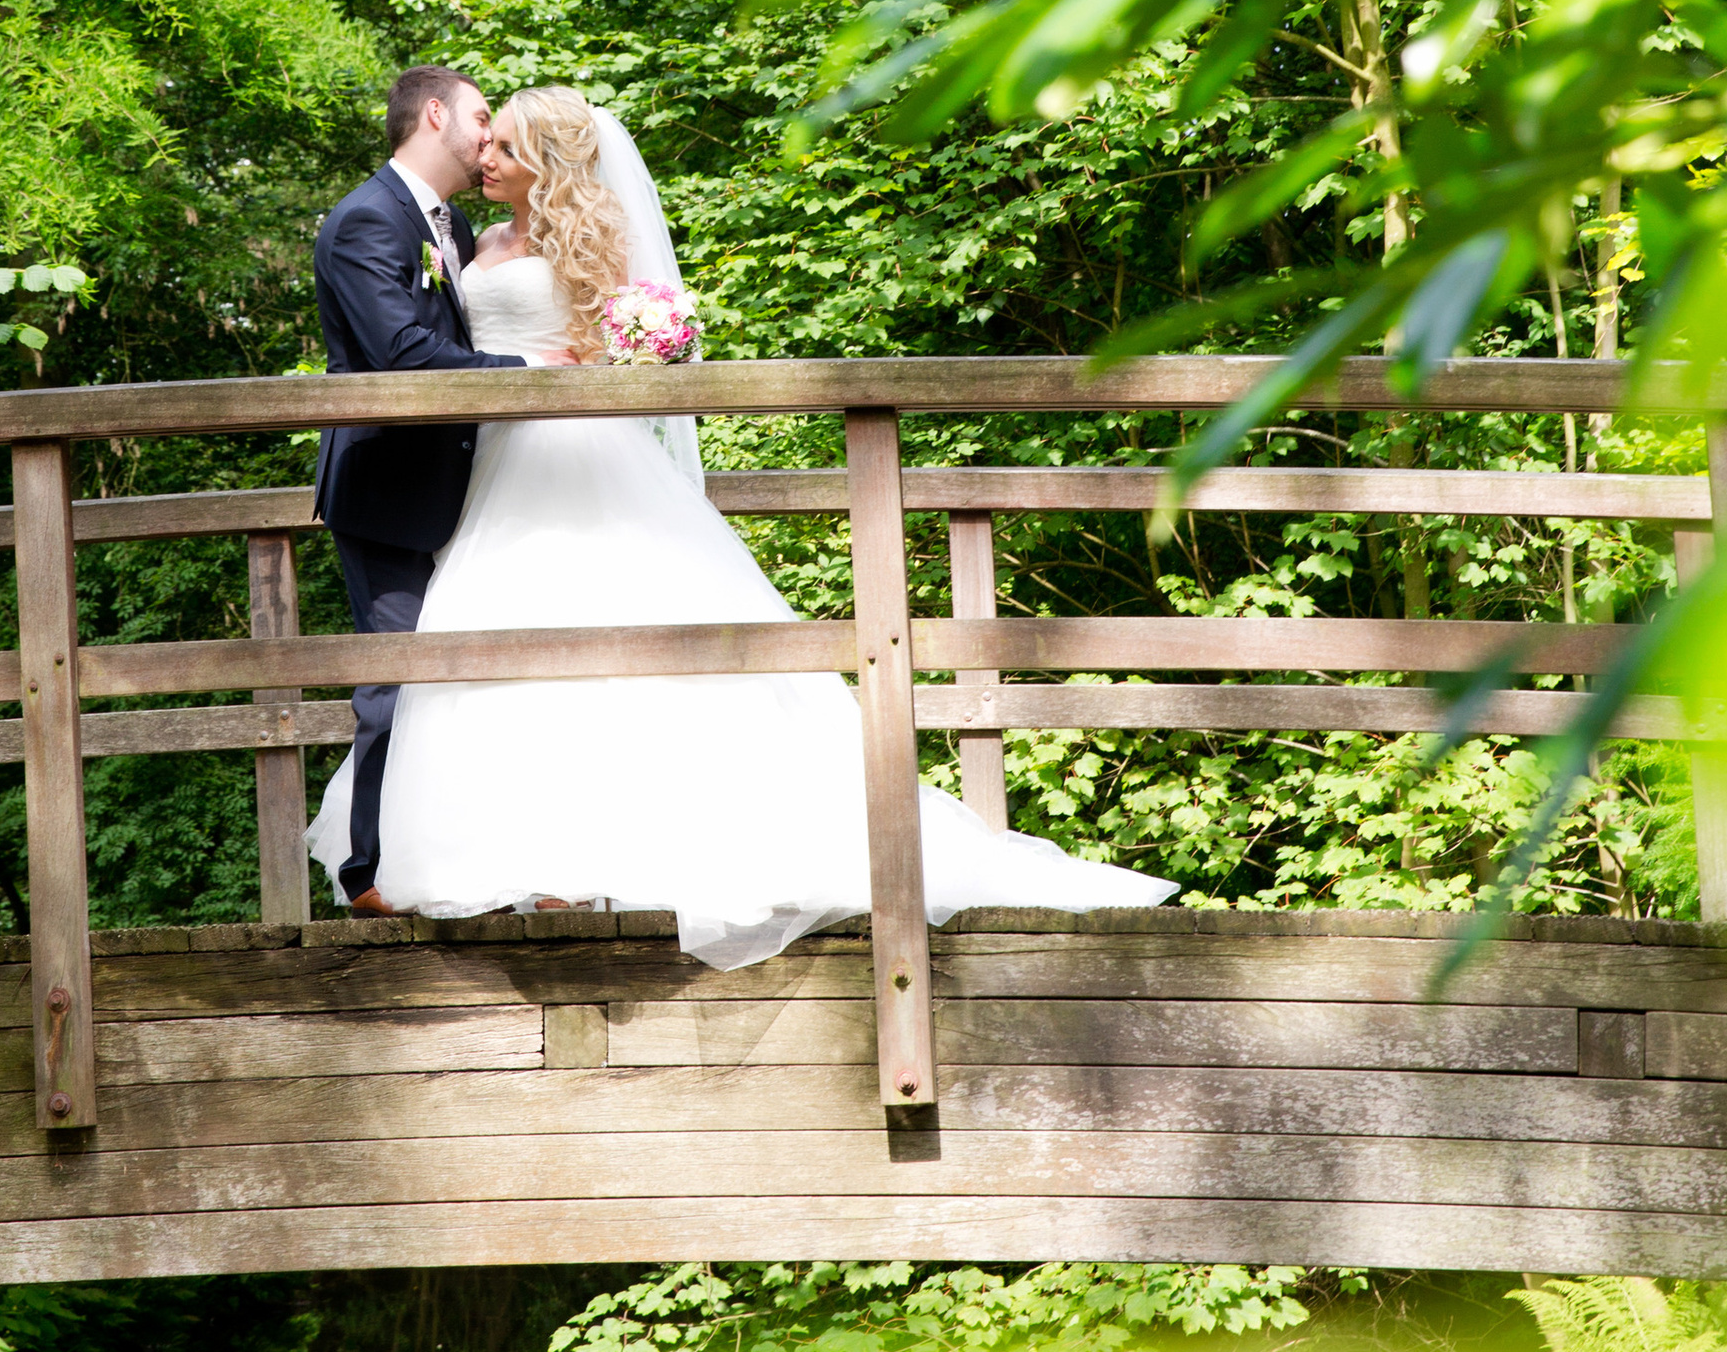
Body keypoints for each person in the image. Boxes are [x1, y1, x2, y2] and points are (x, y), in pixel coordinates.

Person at [310, 85, 1172, 966]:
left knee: (611, 640)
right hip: (491, 466)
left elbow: (619, 335)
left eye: (505, 144)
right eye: (483, 136)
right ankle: (509, 855)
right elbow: (420, 347)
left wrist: (638, 346)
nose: (486, 153)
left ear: (546, 160)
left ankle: (595, 859)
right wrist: (531, 366)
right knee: (489, 652)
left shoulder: (579, 234)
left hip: (575, 457)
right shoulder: (465, 237)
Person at [309, 64, 570, 909]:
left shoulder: (451, 222)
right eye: (481, 118)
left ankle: (484, 860)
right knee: (396, 682)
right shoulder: (363, 223)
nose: (490, 137)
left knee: (473, 681)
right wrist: (530, 368)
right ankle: (369, 879)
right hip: (388, 485)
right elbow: (402, 359)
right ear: (434, 116)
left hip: (471, 484)